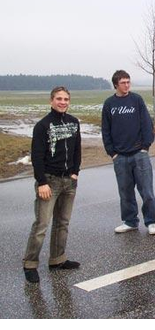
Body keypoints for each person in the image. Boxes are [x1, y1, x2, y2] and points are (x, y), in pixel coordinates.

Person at [23, 87, 82, 284]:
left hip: (69, 181)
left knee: (62, 223)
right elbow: (37, 156)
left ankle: (57, 259)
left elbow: (77, 150)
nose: (62, 102)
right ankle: (30, 264)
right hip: (50, 181)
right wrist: (42, 182)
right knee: (41, 224)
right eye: (59, 98)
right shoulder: (43, 125)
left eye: (66, 99)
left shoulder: (74, 122)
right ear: (51, 101)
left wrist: (75, 172)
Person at [102, 70, 155, 236]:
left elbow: (146, 123)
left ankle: (152, 221)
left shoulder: (136, 100)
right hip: (120, 157)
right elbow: (105, 130)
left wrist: (145, 146)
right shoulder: (109, 104)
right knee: (125, 192)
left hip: (139, 154)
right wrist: (112, 153)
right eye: (123, 82)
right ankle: (130, 221)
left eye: (128, 82)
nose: (126, 85)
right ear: (115, 84)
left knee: (147, 192)